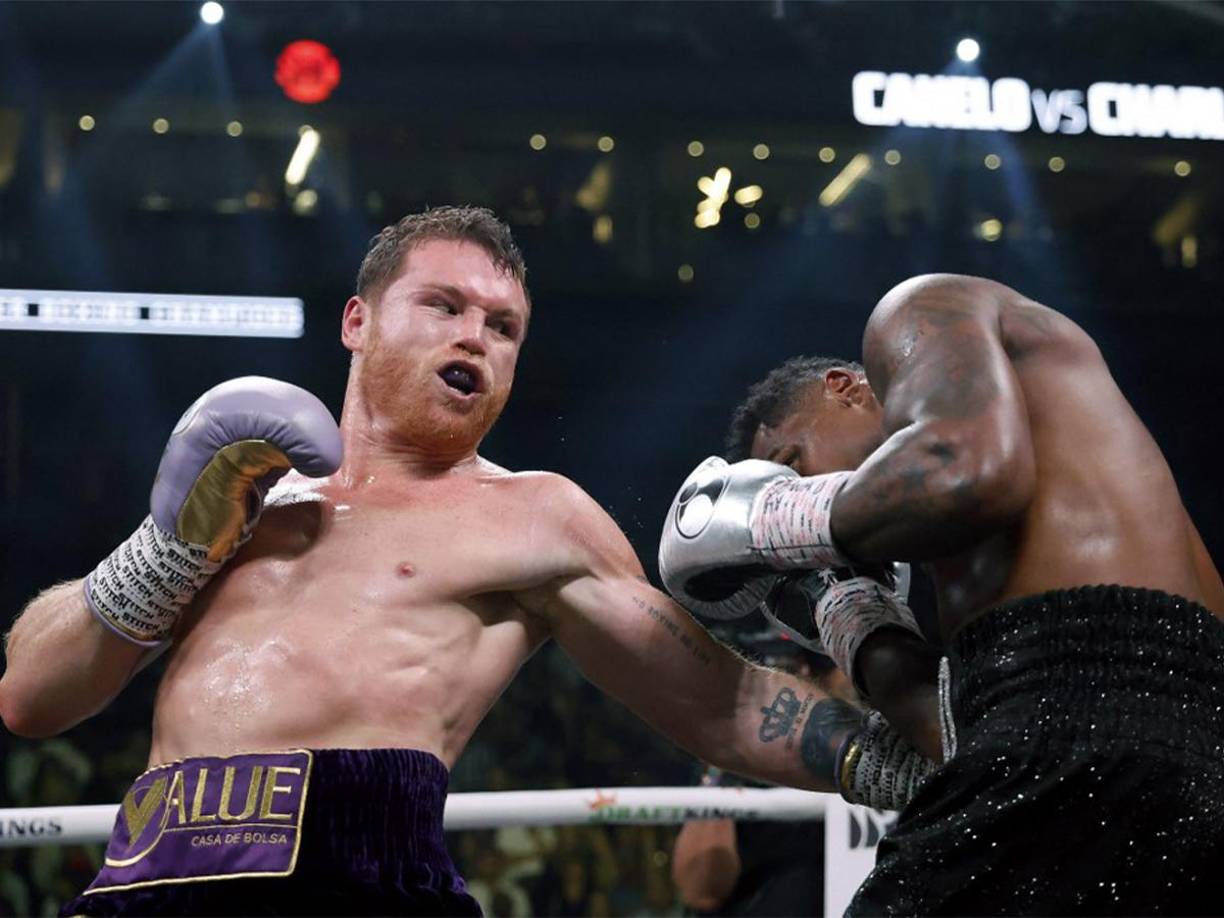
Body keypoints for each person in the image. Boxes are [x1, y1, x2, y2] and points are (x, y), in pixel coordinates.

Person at [0, 207, 930, 916]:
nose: (474, 336)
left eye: (502, 326)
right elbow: (30, 697)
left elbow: (721, 706)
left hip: (359, 876)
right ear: (357, 320)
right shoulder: (241, 492)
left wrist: (928, 764)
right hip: (142, 878)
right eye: (443, 306)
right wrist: (165, 550)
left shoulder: (535, 517)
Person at [659, 273, 1224, 914]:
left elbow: (965, 469)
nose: (801, 528)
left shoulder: (920, 312)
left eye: (792, 467)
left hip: (1086, 739)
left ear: (844, 388)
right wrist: (850, 612)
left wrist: (770, 517)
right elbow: (950, 741)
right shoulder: (976, 563)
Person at [671, 630, 853, 917]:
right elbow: (700, 892)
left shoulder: (852, 751)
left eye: (793, 672)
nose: (784, 703)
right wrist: (724, 775)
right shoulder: (725, 767)